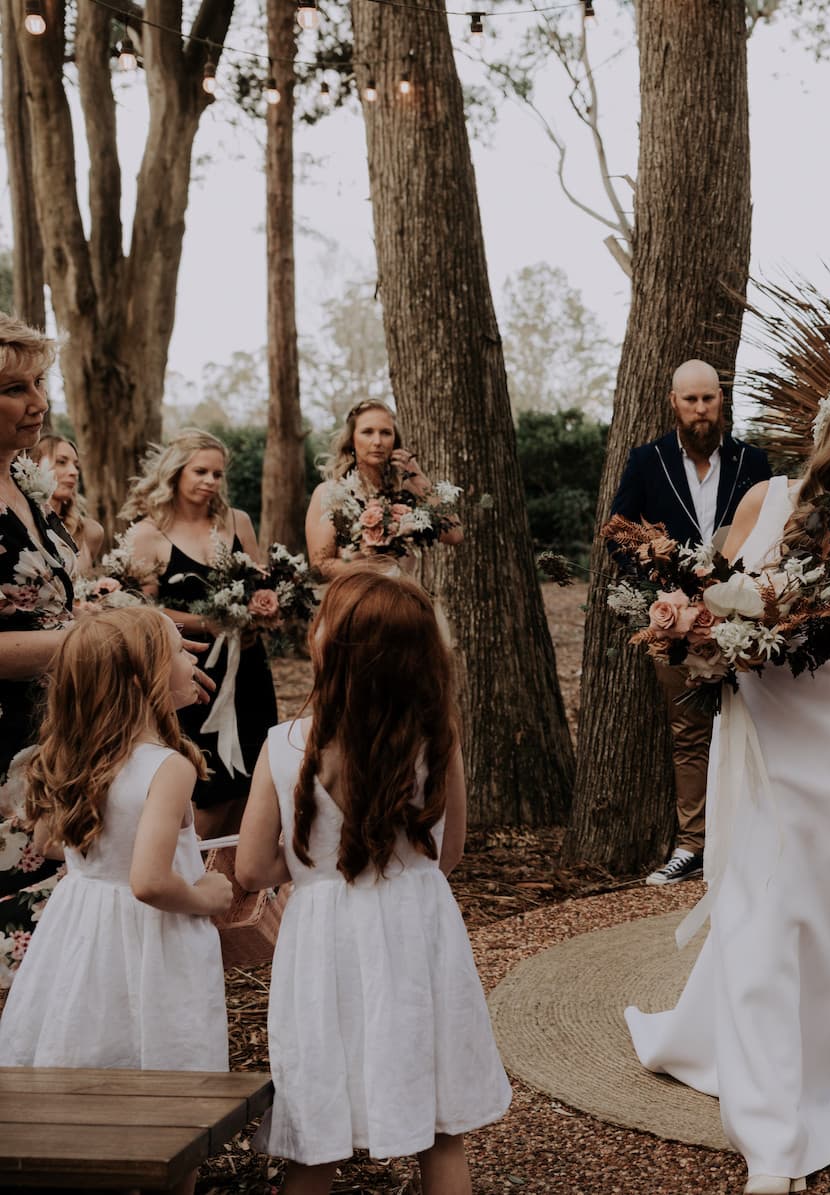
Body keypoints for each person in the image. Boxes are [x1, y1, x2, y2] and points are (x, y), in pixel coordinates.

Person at [626, 378, 830, 1195]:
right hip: (762, 738)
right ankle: (771, 1141)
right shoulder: (766, 497)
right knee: (760, 915)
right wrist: (698, 637)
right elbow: (710, 600)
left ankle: (825, 1054)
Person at [236, 568, 510, 1192]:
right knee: (442, 1131)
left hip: (323, 945)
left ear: (335, 648)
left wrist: (311, 864)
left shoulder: (283, 745)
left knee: (316, 1133)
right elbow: (448, 854)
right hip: (418, 934)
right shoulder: (437, 739)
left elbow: (251, 869)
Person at [0, 608, 229, 1195]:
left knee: (84, 1053)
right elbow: (150, 881)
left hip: (77, 933)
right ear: (142, 680)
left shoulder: (73, 753)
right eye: (178, 652)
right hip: (151, 939)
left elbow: (52, 844)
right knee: (163, 1082)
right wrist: (205, 894)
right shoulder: (167, 767)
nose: (191, 660)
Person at [609, 360, 771, 886]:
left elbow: (774, 534)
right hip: (674, 624)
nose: (701, 410)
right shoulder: (646, 460)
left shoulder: (753, 461)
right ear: (672, 402)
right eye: (690, 400)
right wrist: (660, 586)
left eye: (709, 399)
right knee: (688, 734)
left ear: (722, 401)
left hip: (745, 619)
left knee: (759, 727)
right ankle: (692, 845)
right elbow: (617, 534)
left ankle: (755, 841)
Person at [121, 430, 280, 840]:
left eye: (218, 474)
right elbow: (141, 610)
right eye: (201, 471)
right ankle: (193, 872)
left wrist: (264, 609)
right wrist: (204, 623)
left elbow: (260, 583)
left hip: (247, 664)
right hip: (189, 671)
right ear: (175, 472)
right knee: (208, 786)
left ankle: (240, 885)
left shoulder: (236, 521)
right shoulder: (147, 534)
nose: (210, 481)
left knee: (253, 775)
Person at [0, 318, 80, 949]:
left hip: (52, 732)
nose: (39, 404)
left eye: (40, 382)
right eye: (14, 389)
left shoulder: (26, 478)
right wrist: (101, 644)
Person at [304, 399, 464, 582]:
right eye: (367, 432)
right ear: (352, 441)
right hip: (353, 603)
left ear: (395, 442)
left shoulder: (409, 493)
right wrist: (374, 564)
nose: (378, 441)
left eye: (386, 433)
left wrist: (419, 479)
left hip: (403, 603)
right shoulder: (330, 493)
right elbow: (319, 568)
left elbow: (455, 535)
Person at [31, 434, 105, 567]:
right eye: (61, 462)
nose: (74, 472)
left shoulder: (90, 532)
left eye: (76, 465)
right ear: (34, 465)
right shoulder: (16, 525)